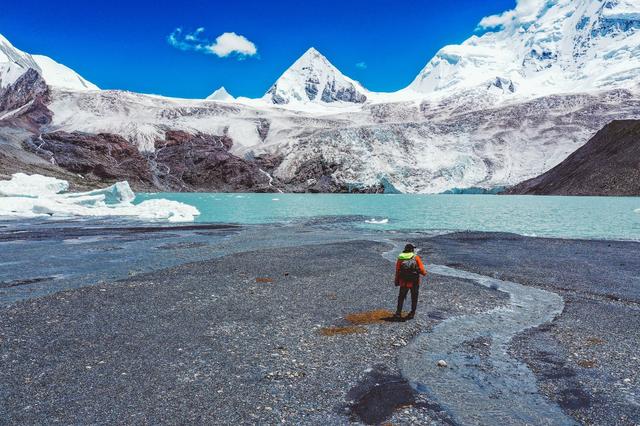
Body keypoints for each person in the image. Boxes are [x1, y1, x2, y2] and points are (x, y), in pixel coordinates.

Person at [394, 243, 426, 320]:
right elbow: (422, 271)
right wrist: (424, 273)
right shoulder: (416, 257)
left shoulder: (400, 258)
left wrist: (396, 281)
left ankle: (398, 313)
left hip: (403, 282)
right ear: (412, 250)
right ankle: (412, 313)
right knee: (414, 297)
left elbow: (397, 271)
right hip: (414, 281)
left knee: (401, 297)